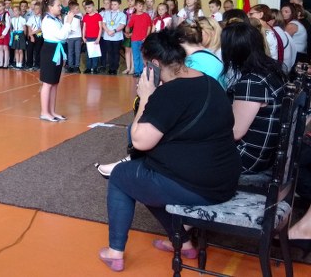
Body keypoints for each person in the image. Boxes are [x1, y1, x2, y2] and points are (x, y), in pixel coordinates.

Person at [99, 29, 240, 272]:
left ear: (154, 64)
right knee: (143, 178)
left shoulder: (169, 92)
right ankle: (183, 243)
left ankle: (115, 252)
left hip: (197, 186)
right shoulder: (210, 83)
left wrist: (146, 97)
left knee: (121, 176)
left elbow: (140, 141)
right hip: (224, 179)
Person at [222, 21, 287, 174]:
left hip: (247, 157)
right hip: (266, 154)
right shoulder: (271, 70)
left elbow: (235, 132)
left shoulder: (252, 82)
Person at [39, 0, 74, 122]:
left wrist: (66, 24)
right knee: (47, 83)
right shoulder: (48, 20)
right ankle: (44, 112)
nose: (60, 7)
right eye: (58, 5)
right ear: (50, 7)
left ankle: (52, 111)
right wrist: (68, 22)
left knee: (54, 83)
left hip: (57, 49)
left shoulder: (56, 19)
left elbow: (64, 34)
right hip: (50, 51)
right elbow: (61, 35)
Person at [127, 0, 152, 77]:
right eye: (139, 6)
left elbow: (149, 26)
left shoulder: (146, 15)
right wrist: (127, 32)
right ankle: (136, 71)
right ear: (135, 7)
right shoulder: (133, 16)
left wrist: (146, 36)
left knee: (142, 55)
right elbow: (129, 26)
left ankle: (141, 71)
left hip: (143, 39)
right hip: (134, 39)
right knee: (135, 55)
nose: (141, 7)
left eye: (142, 6)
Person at [101, 0, 126, 75]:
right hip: (107, 36)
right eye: (112, 4)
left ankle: (114, 68)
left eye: (115, 4)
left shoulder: (122, 14)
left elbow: (122, 25)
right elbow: (103, 24)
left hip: (117, 37)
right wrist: (108, 31)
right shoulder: (106, 13)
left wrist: (114, 31)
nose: (113, 6)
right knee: (109, 52)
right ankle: (110, 67)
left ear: (119, 5)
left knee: (116, 53)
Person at [82, 0, 102, 74]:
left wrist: (98, 38)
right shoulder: (85, 16)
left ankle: (95, 67)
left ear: (93, 6)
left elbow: (100, 28)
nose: (87, 9)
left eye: (89, 7)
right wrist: (83, 37)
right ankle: (88, 67)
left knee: (95, 53)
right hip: (88, 37)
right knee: (88, 53)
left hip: (95, 37)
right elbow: (84, 27)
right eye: (86, 8)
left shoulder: (98, 16)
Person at [65, 0, 82, 73]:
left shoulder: (79, 15)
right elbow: (66, 25)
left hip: (78, 36)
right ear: (72, 9)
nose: (78, 10)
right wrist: (69, 30)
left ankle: (77, 66)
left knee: (77, 52)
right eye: (76, 9)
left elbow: (82, 19)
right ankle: (70, 66)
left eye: (78, 8)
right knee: (70, 52)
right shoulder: (66, 16)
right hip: (70, 37)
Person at [25, 1, 43, 70]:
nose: (35, 10)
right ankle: (29, 64)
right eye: (34, 9)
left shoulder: (42, 18)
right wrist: (31, 36)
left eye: (37, 9)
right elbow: (29, 27)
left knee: (38, 50)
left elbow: (41, 28)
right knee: (29, 49)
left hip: (39, 35)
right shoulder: (31, 18)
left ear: (40, 9)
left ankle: (37, 64)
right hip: (31, 35)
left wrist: (33, 33)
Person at [122, 0, 136, 74]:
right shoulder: (125, 11)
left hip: (134, 31)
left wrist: (133, 32)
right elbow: (122, 21)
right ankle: (128, 67)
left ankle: (133, 68)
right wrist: (124, 32)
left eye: (132, 0)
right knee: (127, 50)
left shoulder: (136, 11)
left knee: (133, 51)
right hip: (126, 31)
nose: (130, 2)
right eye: (128, 0)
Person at [0, 0, 11, 68]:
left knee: (5, 47)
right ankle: (1, 63)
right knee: (0, 47)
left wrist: (3, 34)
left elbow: (8, 25)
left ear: (3, 6)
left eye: (0, 6)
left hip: (5, 34)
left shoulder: (6, 14)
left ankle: (6, 63)